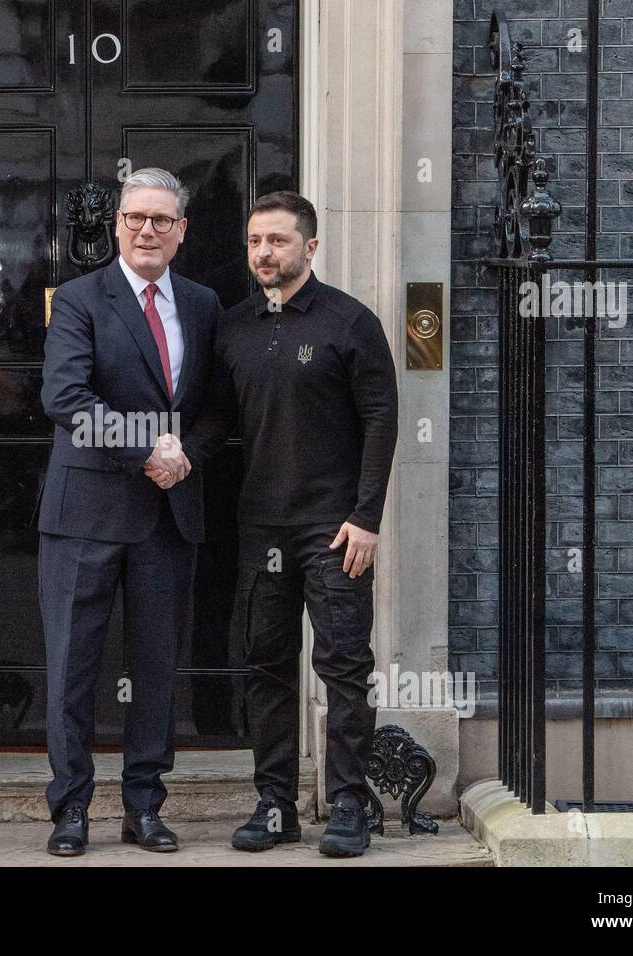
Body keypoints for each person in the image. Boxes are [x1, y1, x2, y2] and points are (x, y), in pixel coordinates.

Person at [154, 190, 398, 858]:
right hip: (261, 526)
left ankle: (349, 804)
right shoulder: (232, 326)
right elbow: (220, 420)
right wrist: (180, 457)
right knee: (265, 666)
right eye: (256, 241)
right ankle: (275, 805)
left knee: (344, 664)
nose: (264, 252)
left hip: (334, 528)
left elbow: (382, 417)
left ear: (310, 247)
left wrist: (367, 517)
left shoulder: (351, 323)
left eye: (279, 241)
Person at [38, 167, 221, 856]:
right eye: (136, 218)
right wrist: (148, 448)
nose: (148, 230)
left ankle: (145, 805)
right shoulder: (81, 299)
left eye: (162, 221)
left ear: (181, 232)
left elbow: (214, 412)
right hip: (84, 511)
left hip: (168, 517)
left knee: (156, 670)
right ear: (117, 225)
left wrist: (186, 455)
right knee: (71, 668)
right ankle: (71, 808)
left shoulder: (203, 305)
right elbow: (65, 398)